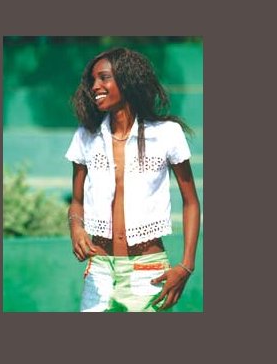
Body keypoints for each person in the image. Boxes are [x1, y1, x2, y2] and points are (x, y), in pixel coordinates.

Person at [64, 47, 201, 312]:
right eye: (92, 80)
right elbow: (77, 202)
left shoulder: (167, 134)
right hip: (99, 273)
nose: (95, 86)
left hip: (147, 271)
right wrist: (76, 229)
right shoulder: (85, 136)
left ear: (127, 81)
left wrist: (186, 265)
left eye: (104, 78)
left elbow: (191, 202)